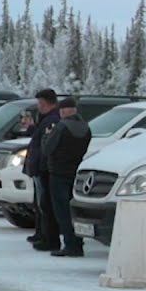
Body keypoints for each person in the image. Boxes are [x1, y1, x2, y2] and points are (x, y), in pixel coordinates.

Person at [43, 97, 93, 257]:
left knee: (62, 212)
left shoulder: (61, 127)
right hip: (75, 171)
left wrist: (46, 136)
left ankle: (71, 245)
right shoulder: (86, 128)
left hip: (58, 172)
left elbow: (47, 149)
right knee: (74, 211)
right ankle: (78, 242)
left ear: (63, 111)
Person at [22, 88, 61, 251]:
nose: (38, 106)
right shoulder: (45, 119)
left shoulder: (52, 119)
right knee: (39, 203)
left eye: (40, 103)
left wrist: (41, 166)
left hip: (43, 168)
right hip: (39, 167)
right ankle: (41, 233)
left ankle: (48, 237)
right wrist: (32, 128)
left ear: (46, 103)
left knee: (45, 204)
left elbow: (46, 145)